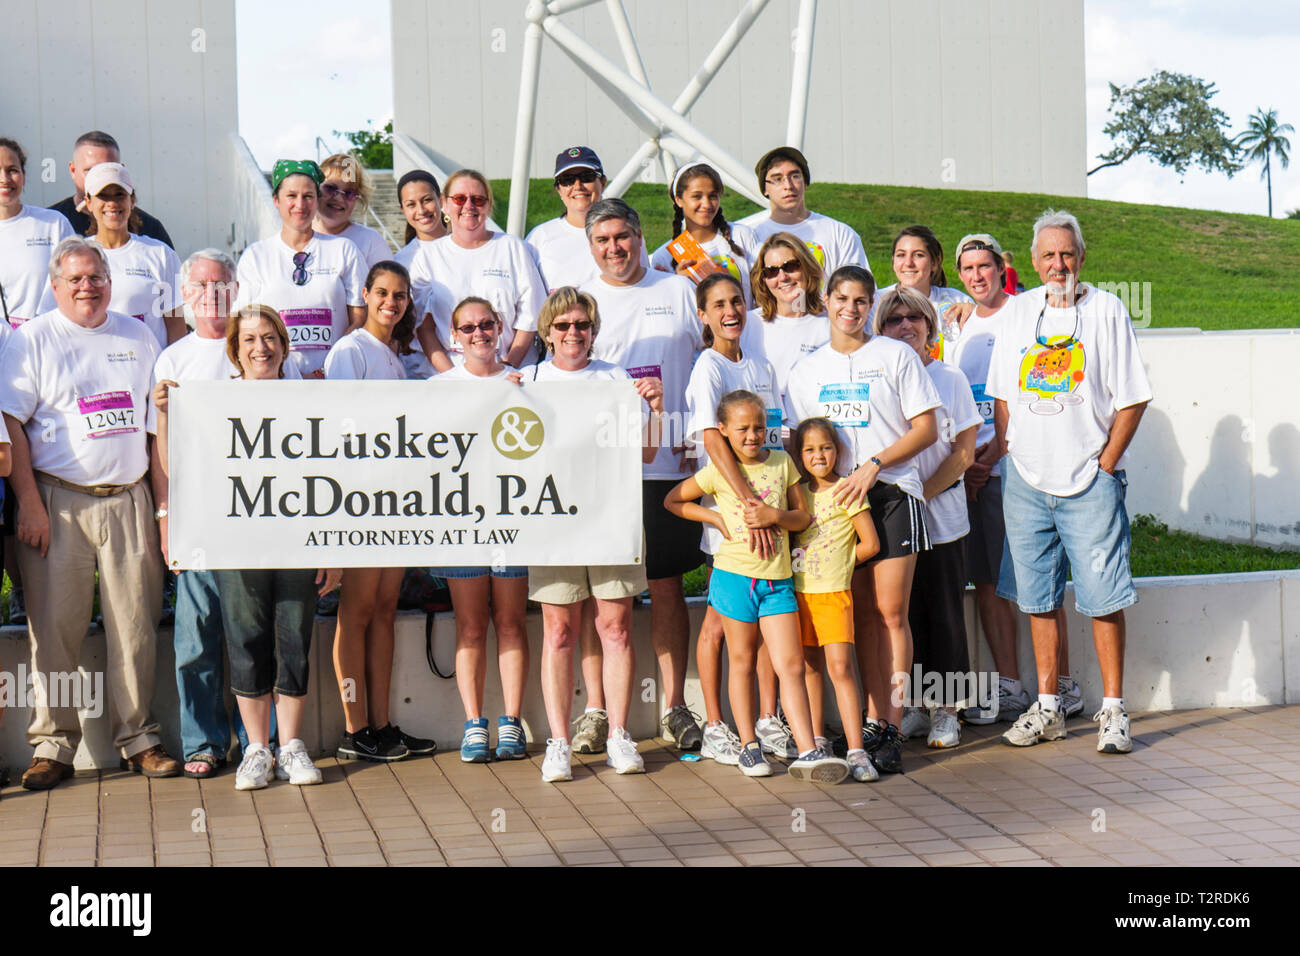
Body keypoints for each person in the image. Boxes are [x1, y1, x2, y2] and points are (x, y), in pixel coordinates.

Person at [1, 237, 181, 790]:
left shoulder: (139, 335)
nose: (88, 287)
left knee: (135, 626)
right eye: (75, 279)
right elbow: (10, 425)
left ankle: (139, 738)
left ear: (110, 279)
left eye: (96, 276)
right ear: (55, 286)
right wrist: (29, 503)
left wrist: (163, 508)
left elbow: (159, 431)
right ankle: (53, 744)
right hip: (59, 504)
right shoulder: (30, 341)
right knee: (54, 630)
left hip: (129, 499)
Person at [155, 304, 341, 789]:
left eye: (270, 337)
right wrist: (164, 415)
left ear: (284, 343)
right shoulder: (215, 402)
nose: (262, 347)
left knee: (294, 640)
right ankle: (257, 750)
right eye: (250, 340)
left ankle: (292, 746)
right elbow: (176, 469)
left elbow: (334, 479)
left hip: (299, 543)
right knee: (246, 641)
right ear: (235, 352)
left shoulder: (310, 400)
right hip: (236, 544)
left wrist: (334, 551)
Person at [988, 210, 1151, 755]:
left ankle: (1112, 710)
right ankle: (1050, 707)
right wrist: (1012, 451)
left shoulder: (1106, 309)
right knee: (1037, 599)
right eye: (1048, 256)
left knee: (1104, 596)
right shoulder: (1017, 313)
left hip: (1089, 480)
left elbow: (1133, 396)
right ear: (1032, 262)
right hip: (1027, 480)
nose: (1059, 264)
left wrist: (1106, 462)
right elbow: (1003, 396)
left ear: (1082, 258)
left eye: (1068, 254)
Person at [784, 266, 941, 774]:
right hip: (832, 507)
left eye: (860, 301)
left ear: (869, 306)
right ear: (825, 301)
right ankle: (866, 721)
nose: (850, 310)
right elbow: (801, 445)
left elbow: (927, 430)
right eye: (841, 299)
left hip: (894, 494)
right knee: (859, 614)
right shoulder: (805, 372)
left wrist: (874, 465)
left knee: (891, 612)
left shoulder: (894, 355)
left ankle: (889, 724)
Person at [149, 249, 298, 779]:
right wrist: (168, 522)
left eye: (223, 284)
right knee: (198, 637)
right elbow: (163, 457)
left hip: (265, 530)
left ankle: (264, 744)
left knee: (261, 637)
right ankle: (203, 743)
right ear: (185, 295)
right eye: (202, 285)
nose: (213, 293)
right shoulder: (173, 359)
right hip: (201, 525)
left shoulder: (265, 355)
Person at [666, 389, 849, 783]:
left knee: (790, 664)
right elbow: (673, 501)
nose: (752, 436)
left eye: (759, 428)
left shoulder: (783, 462)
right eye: (743, 428)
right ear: (724, 431)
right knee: (743, 662)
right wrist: (714, 520)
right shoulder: (719, 470)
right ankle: (748, 744)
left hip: (778, 581)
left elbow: (801, 518)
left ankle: (807, 750)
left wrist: (774, 515)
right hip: (734, 579)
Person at [577, 198, 704, 752]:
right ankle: (596, 710)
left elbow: (708, 364)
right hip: (605, 474)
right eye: (602, 240)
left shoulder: (677, 290)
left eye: (622, 236)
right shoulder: (583, 300)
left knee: (666, 584)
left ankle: (675, 705)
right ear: (591, 246)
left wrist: (700, 439)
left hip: (669, 470)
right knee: (600, 598)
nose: (614, 248)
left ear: (640, 234)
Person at [526, 286, 664, 781]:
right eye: (562, 326)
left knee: (616, 629)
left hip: (611, 518)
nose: (572, 334)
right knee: (559, 632)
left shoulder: (616, 379)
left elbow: (649, 454)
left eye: (581, 325)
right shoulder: (529, 380)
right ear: (546, 332)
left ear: (593, 330)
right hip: (551, 522)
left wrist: (656, 408)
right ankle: (559, 741)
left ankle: (619, 735)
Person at [945, 233, 1065, 724]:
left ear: (1002, 267)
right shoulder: (953, 322)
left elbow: (1024, 398)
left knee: (1029, 579)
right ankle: (1009, 684)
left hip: (1007, 470)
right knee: (985, 581)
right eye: (968, 268)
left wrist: (991, 456)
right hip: (962, 473)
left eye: (985, 266)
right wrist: (965, 463)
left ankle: (1055, 687)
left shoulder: (1027, 314)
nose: (977, 276)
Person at [324, 261, 437, 761]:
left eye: (400, 295)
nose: (391, 303)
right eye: (382, 293)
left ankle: (383, 723)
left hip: (398, 502)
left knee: (385, 613)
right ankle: (354, 729)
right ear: (365, 295)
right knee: (357, 614)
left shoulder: (394, 354)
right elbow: (340, 430)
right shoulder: (349, 350)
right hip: (360, 503)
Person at [682, 273, 785, 765]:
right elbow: (711, 439)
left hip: (767, 515)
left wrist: (776, 509)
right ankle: (717, 725)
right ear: (703, 314)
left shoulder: (761, 363)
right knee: (719, 624)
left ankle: (766, 719)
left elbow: (773, 437)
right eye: (718, 304)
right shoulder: (708, 366)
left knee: (762, 621)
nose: (731, 311)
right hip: (735, 517)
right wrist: (747, 507)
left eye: (737, 301)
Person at [875, 286, 980, 749]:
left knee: (945, 616)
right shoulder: (878, 376)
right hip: (893, 519)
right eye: (894, 319)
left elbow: (962, 454)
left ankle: (947, 709)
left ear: (929, 326)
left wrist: (921, 496)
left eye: (913, 318)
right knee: (904, 615)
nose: (905, 326)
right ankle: (913, 705)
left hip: (939, 517)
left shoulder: (950, 379)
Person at [428, 298, 531, 762]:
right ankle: (474, 724)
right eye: (467, 327)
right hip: (459, 522)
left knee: (510, 623)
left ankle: (511, 722)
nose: (478, 334)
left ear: (502, 328)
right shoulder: (438, 387)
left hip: (515, 519)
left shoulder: (525, 383)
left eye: (487, 324)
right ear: (454, 335)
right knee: (470, 626)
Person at [789, 417, 879, 780]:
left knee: (840, 669)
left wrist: (840, 566)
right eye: (809, 449)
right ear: (799, 455)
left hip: (834, 595)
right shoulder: (795, 494)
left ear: (837, 450)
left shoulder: (848, 490)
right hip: (797, 596)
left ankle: (857, 751)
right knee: (809, 668)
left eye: (825, 447)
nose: (818, 455)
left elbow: (870, 544)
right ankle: (816, 744)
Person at [235, 159, 367, 377]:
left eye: (308, 196)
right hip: (276, 381)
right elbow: (244, 324)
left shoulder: (344, 250)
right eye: (291, 196)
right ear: (276, 200)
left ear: (317, 201)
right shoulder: (255, 257)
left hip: (333, 379)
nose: (300, 204)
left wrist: (330, 367)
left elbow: (360, 319)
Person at [409, 170, 544, 372]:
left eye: (478, 199)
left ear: (488, 205)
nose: (469, 206)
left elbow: (529, 318)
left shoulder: (512, 248)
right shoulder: (428, 257)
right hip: (451, 373)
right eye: (460, 198)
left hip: (510, 373)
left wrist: (507, 368)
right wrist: (453, 376)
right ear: (444, 204)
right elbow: (424, 328)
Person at [81, 161, 186, 348]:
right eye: (102, 196)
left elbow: (176, 324)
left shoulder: (161, 254)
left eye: (119, 195)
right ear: (89, 202)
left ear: (132, 200)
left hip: (149, 373)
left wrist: (170, 372)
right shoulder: (76, 257)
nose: (112, 203)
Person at [525, 146, 650, 292]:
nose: (577, 186)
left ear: (602, 183)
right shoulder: (539, 238)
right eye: (567, 180)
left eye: (586, 177)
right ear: (558, 189)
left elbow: (643, 287)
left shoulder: (626, 234)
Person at [737, 146, 869, 281]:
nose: (788, 185)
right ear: (764, 188)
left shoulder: (840, 234)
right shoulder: (749, 237)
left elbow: (861, 291)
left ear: (805, 182)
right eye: (777, 179)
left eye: (795, 176)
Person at [739, 232, 830, 412]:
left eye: (790, 266)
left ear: (807, 266)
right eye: (772, 271)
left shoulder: (830, 324)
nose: (782, 277)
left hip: (813, 430)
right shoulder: (747, 324)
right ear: (763, 280)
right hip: (759, 433)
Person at [650, 162, 759, 303]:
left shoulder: (742, 236)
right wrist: (680, 284)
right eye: (697, 196)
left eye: (713, 196)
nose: (706, 204)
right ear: (678, 200)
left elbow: (763, 293)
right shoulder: (664, 257)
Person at [49, 130, 173, 247]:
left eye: (107, 170)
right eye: (90, 171)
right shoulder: (51, 224)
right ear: (73, 170)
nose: (100, 178)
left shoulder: (151, 231)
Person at [0, 137, 72, 328]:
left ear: (23, 176)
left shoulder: (54, 223)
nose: (4, 179)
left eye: (12, 170)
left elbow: (76, 279)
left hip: (52, 336)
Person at [873, 225, 971, 359]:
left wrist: (975, 314)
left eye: (918, 255)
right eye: (901, 255)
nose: (908, 263)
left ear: (934, 263)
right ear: (893, 262)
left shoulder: (957, 301)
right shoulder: (876, 301)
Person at [313, 153, 393, 267]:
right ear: (315, 188)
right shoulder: (297, 235)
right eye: (330, 188)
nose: (339, 198)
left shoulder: (371, 242)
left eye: (349, 193)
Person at [393, 169, 447, 268]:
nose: (421, 211)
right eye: (411, 204)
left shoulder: (467, 245)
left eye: (427, 200)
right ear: (403, 210)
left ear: (441, 200)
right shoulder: (401, 262)